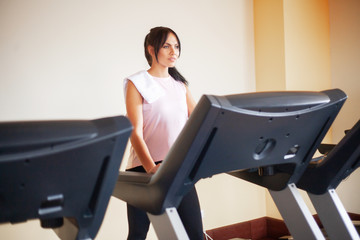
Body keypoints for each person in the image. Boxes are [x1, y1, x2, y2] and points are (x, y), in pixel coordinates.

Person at [123, 26, 204, 240]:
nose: (173, 51)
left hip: (177, 168)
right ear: (151, 49)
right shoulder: (137, 82)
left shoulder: (180, 86)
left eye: (176, 46)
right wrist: (150, 168)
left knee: (194, 233)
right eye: (166, 46)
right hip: (143, 169)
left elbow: (200, 123)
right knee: (138, 234)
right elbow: (135, 132)